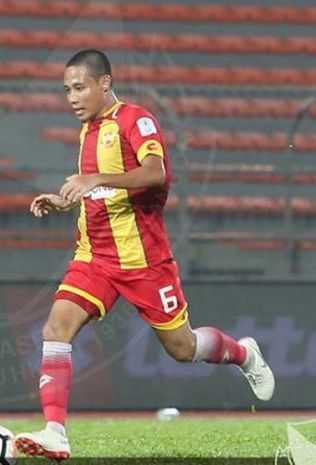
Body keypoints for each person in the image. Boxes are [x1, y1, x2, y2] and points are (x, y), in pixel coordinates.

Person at [15, 49, 274, 460]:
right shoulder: (88, 131)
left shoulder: (137, 120)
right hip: (94, 256)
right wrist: (66, 200)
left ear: (105, 83)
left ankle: (243, 353)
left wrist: (95, 177)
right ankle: (54, 433)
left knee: (183, 348)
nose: (72, 97)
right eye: (66, 90)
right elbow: (101, 193)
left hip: (144, 262)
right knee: (54, 330)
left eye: (79, 87)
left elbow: (156, 174)